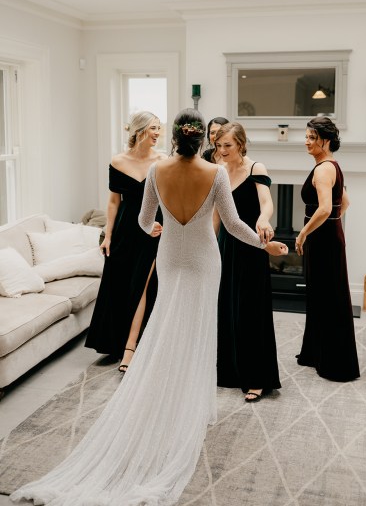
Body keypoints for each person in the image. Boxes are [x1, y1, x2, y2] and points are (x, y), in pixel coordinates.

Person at [10, 109, 288, 506]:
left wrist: (158, 229)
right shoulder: (217, 173)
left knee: (167, 327)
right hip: (205, 261)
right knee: (199, 331)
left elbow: (142, 221)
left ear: (175, 137)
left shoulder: (158, 171)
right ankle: (189, 410)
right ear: (201, 141)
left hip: (171, 258)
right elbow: (233, 225)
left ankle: (168, 403)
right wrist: (266, 244)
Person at [85, 111, 166, 373]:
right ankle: (115, 342)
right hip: (124, 230)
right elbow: (113, 202)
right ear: (140, 130)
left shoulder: (162, 160)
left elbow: (168, 199)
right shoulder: (118, 162)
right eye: (154, 128)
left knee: (143, 284)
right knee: (119, 282)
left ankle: (137, 343)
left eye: (159, 128)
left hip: (153, 228)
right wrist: (107, 235)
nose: (157, 133)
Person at [213, 122, 281, 402]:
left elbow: (266, 202)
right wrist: (210, 246)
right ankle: (229, 372)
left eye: (227, 145)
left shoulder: (256, 169)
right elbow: (217, 215)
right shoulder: (218, 170)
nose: (222, 150)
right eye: (218, 146)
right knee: (226, 307)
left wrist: (264, 219)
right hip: (226, 247)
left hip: (251, 247)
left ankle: (257, 378)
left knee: (251, 311)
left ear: (241, 143)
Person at [295, 116, 360, 382]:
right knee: (325, 294)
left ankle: (334, 363)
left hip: (322, 239)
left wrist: (302, 233)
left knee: (326, 295)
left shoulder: (323, 170)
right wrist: (334, 223)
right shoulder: (332, 165)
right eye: (307, 137)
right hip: (329, 236)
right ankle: (316, 353)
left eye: (313, 138)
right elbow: (344, 202)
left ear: (327, 140)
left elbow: (324, 208)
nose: (307, 142)